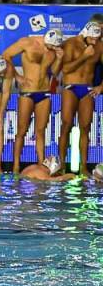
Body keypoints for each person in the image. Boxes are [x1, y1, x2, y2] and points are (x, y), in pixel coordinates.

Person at [2, 29, 63, 173]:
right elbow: (6, 55)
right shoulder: (27, 42)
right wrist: (17, 76)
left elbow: (54, 72)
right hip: (27, 92)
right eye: (51, 46)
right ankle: (16, 166)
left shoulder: (54, 50)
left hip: (44, 92)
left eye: (54, 47)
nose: (51, 49)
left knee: (41, 131)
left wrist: (59, 58)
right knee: (21, 130)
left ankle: (42, 166)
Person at [58, 21, 102, 175]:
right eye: (92, 39)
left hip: (87, 89)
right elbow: (65, 69)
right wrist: (84, 56)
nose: (95, 42)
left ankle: (83, 168)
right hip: (70, 87)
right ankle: (62, 167)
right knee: (66, 125)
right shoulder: (71, 44)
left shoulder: (100, 46)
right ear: (85, 34)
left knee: (86, 127)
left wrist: (101, 86)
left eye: (97, 39)